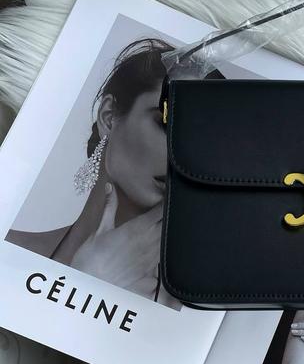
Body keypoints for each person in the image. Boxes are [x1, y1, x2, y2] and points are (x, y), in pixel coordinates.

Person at [6, 38, 207, 307]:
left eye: (204, 143)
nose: (184, 157)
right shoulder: (9, 246)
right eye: (167, 125)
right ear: (109, 116)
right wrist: (89, 278)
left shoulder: (179, 307)